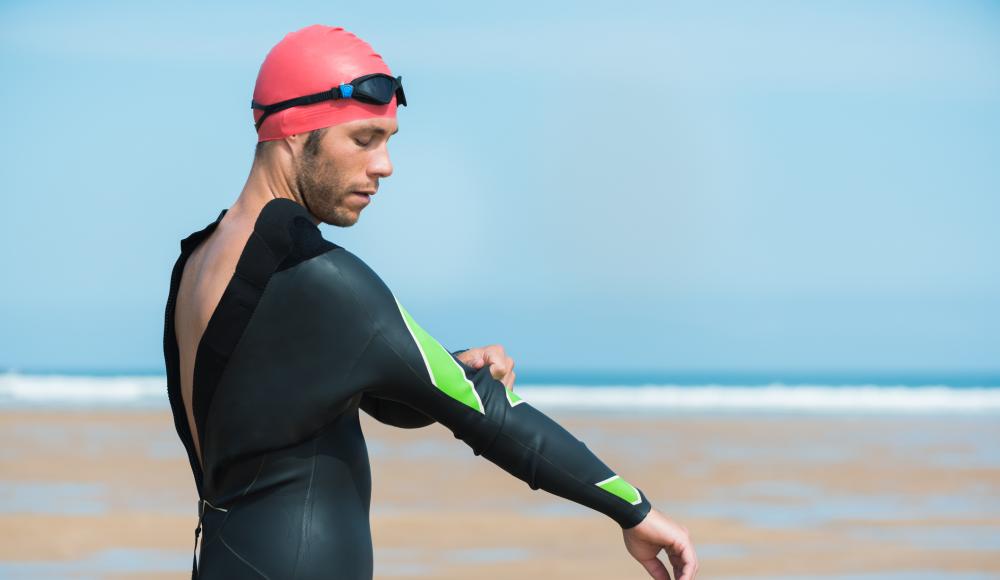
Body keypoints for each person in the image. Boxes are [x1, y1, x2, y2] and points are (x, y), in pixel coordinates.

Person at [162, 24, 698, 580]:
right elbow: (488, 418)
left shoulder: (199, 261)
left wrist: (453, 367)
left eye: (388, 141)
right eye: (365, 139)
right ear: (297, 132)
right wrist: (633, 510)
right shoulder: (321, 279)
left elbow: (358, 395)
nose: (384, 165)